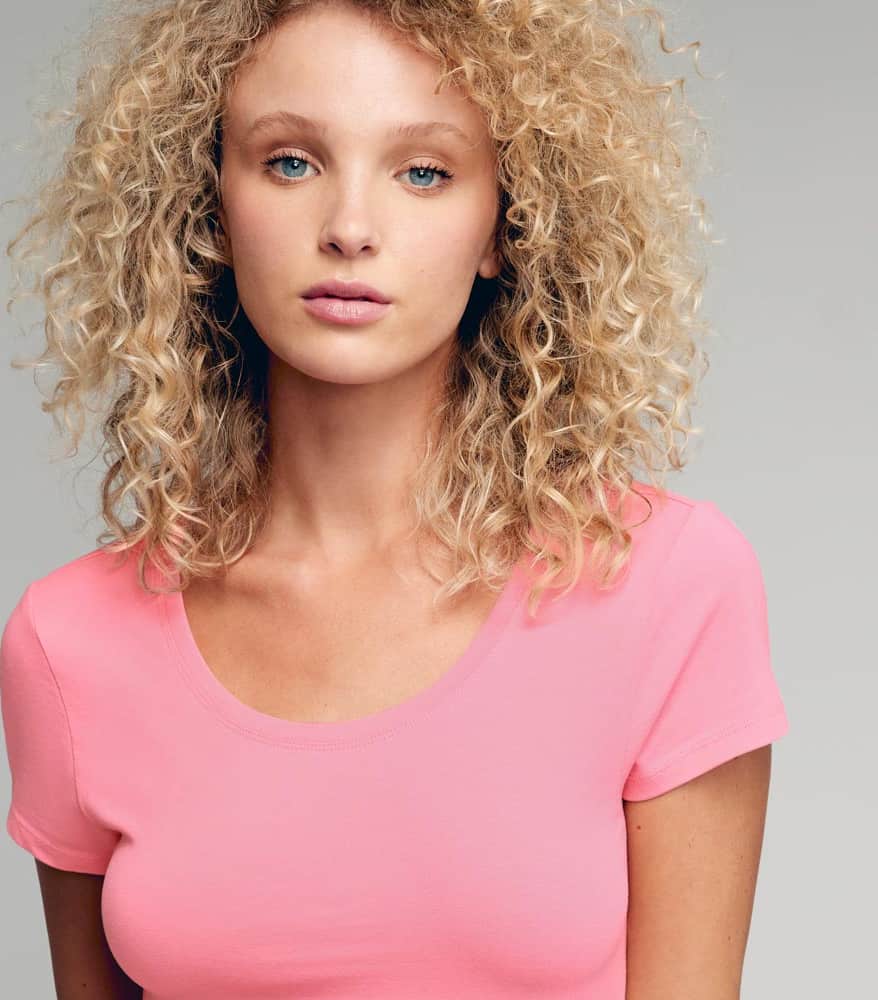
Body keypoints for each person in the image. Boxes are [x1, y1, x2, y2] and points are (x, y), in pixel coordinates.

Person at [0, 1, 790, 997]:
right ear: (210, 207)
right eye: (291, 161)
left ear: (503, 224)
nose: (349, 229)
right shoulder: (71, 642)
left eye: (423, 172)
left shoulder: (664, 588)